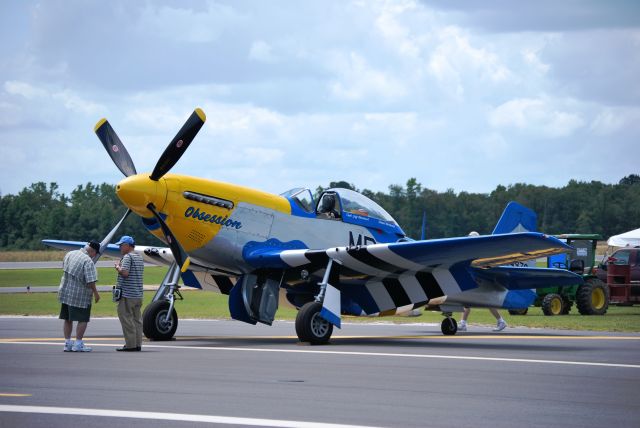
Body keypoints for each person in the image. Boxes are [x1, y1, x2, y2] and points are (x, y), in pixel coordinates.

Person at [58, 241, 101, 352]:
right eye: (95, 253)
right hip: (80, 295)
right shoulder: (87, 261)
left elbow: (63, 268)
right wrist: (96, 294)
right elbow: (90, 281)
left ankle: (67, 343)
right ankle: (78, 343)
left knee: (67, 318)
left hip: (65, 292)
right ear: (92, 251)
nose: (94, 256)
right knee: (83, 319)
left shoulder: (70, 254)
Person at [114, 235, 145, 352]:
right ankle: (138, 344)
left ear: (127, 245)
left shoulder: (127, 257)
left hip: (127, 294)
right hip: (138, 294)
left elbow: (125, 273)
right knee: (137, 320)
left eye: (121, 245)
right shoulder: (139, 257)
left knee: (126, 319)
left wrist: (118, 267)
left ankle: (130, 345)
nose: (120, 248)